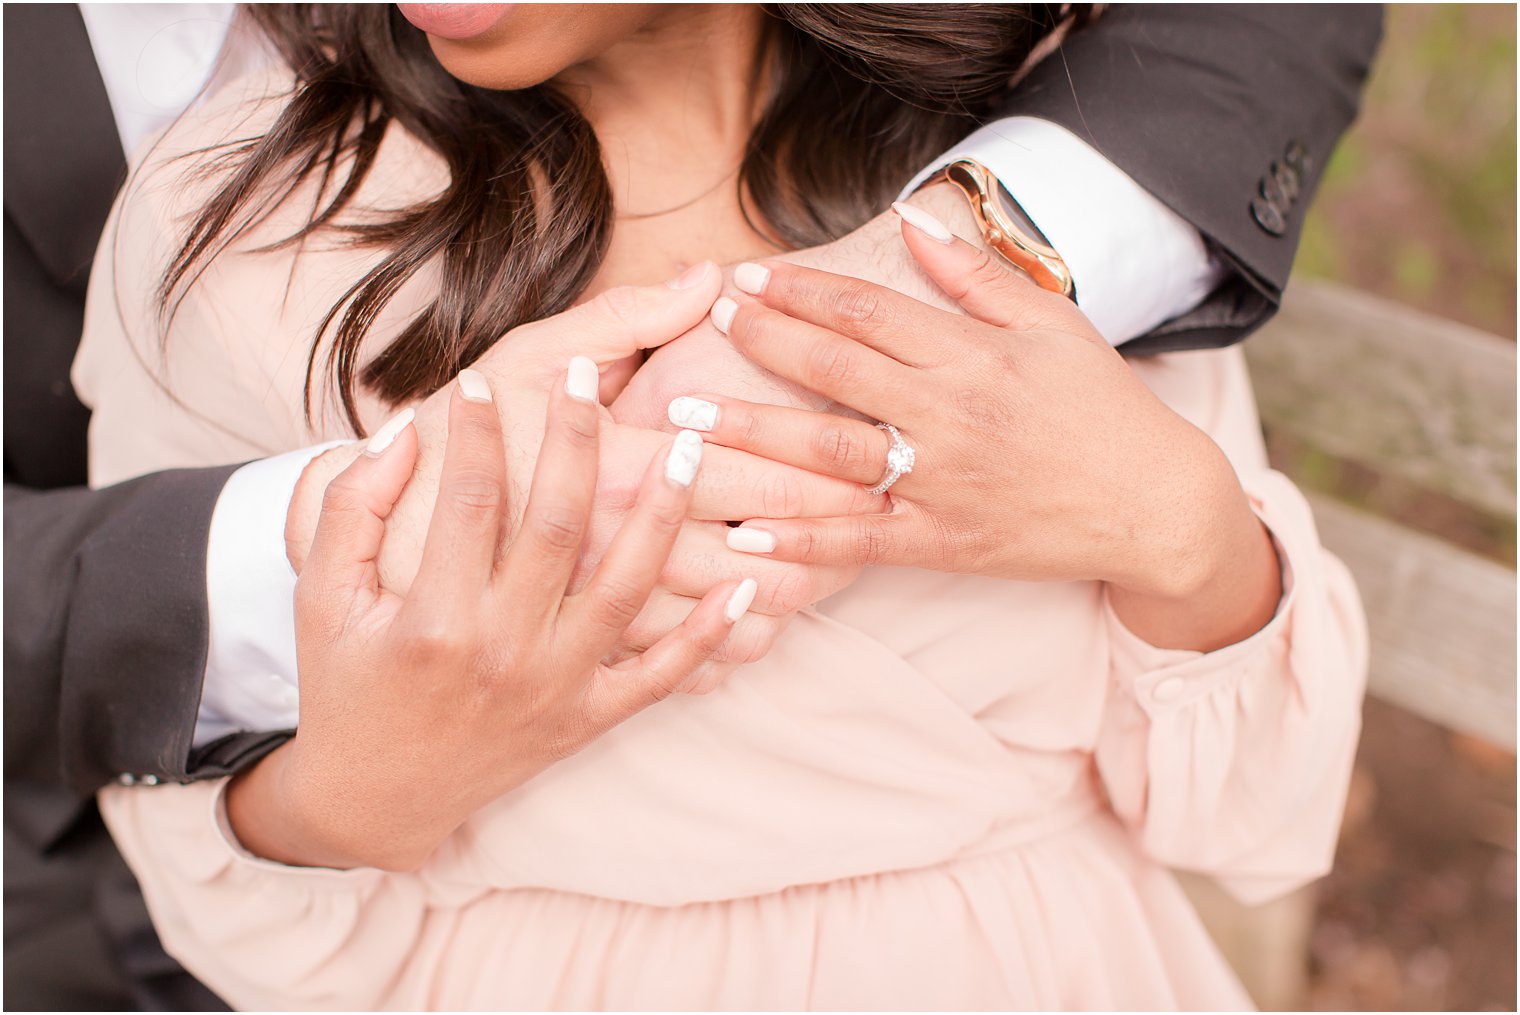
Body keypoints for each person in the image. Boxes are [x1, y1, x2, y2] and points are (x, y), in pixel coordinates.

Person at [4, 2, 1382, 1009]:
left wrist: (1180, 527)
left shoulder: (1041, 168)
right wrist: (364, 789)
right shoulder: (232, 237)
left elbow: (1253, 812)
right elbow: (217, 893)